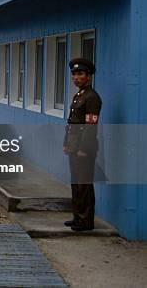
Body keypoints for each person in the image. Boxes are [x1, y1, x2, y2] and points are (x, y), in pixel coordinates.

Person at [63, 58, 101, 232]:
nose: (76, 78)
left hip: (83, 148)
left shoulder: (92, 97)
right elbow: (71, 123)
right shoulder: (79, 95)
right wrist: (66, 143)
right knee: (76, 183)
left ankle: (86, 221)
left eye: (80, 74)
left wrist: (84, 149)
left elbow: (90, 126)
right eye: (74, 74)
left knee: (84, 184)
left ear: (88, 76)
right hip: (73, 145)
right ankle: (77, 216)